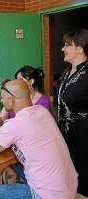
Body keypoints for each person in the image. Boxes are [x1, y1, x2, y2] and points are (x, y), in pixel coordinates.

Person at [0, 79, 78, 199]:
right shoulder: (42, 111)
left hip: (46, 194)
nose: (2, 100)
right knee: (13, 161)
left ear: (10, 101)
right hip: (68, 187)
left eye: (3, 97)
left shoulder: (14, 125)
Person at [0, 66, 51, 184]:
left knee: (6, 162)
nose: (16, 82)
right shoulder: (14, 99)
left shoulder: (42, 102)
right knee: (2, 158)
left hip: (25, 145)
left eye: (20, 79)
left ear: (31, 81)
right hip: (10, 140)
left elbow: (35, 128)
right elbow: (1, 117)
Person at [58, 29, 88, 197]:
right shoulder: (68, 71)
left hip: (84, 137)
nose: (63, 49)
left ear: (80, 48)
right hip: (67, 134)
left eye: (67, 45)